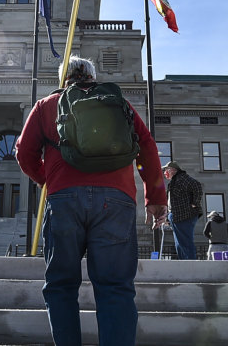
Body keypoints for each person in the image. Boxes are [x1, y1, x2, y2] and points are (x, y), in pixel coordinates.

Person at [15, 55, 167, 346]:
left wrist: (48, 178)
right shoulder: (119, 104)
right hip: (117, 200)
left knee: (61, 286)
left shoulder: (47, 105)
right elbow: (146, 147)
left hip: (65, 200)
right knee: (116, 288)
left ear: (64, 78)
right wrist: (155, 196)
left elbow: (24, 152)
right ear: (92, 76)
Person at [162, 161, 203, 260]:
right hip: (176, 215)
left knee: (185, 242)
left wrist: (195, 203)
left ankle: (190, 264)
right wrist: (168, 217)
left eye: (167, 170)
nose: (165, 173)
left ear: (173, 170)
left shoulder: (182, 178)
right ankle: (184, 263)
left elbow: (197, 186)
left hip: (185, 214)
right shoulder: (175, 181)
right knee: (179, 243)